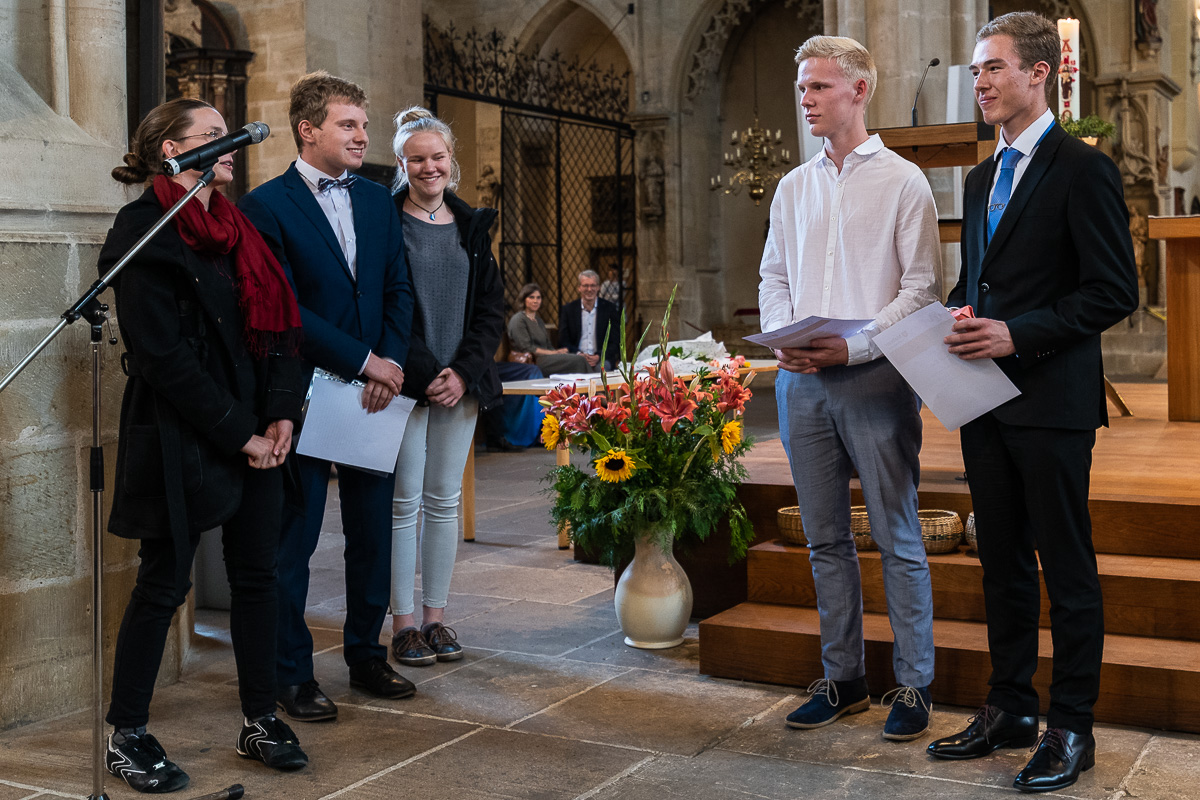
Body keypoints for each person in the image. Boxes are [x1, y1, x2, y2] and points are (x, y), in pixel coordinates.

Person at [928, 13, 1138, 793]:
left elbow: (1113, 291)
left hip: (1051, 401)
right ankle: (1010, 706)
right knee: (1002, 564)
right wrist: (955, 316)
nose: (979, 82)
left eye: (993, 67)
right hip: (984, 401)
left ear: (1039, 73)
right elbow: (979, 281)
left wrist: (1018, 334)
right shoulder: (981, 178)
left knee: (1066, 568)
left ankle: (1072, 726)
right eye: (976, 70)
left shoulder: (1082, 169)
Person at [99, 98, 309, 792]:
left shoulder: (238, 227)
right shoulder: (143, 230)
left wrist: (281, 416)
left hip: (258, 428)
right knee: (163, 582)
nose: (232, 144)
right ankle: (127, 734)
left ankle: (259, 719)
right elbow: (162, 357)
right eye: (214, 135)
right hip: (181, 432)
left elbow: (280, 331)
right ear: (172, 150)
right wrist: (238, 432)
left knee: (257, 577)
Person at [757, 35, 942, 741]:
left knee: (897, 534)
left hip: (876, 378)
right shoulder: (792, 186)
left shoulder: (904, 181)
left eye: (819, 87)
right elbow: (774, 275)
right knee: (824, 539)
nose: (805, 99)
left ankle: (915, 683)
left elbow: (921, 289)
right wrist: (784, 335)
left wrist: (854, 345)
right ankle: (844, 678)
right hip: (802, 382)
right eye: (802, 87)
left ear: (860, 90)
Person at [239, 71, 416, 722]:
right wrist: (363, 361)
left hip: (374, 394)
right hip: (303, 392)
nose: (362, 136)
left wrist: (388, 365)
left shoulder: (376, 200)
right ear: (307, 129)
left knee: (372, 533)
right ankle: (291, 673)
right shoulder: (265, 206)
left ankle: (367, 655)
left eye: (364, 126)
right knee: (297, 538)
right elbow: (285, 308)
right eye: (348, 125)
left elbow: (396, 289)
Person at [386, 107, 506, 667]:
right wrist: (425, 371)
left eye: (437, 157)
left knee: (443, 500)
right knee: (403, 502)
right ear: (402, 163)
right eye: (417, 159)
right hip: (405, 384)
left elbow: (490, 310)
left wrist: (461, 372)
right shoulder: (387, 222)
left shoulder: (472, 226)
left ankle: (435, 618)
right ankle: (403, 623)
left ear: (451, 160)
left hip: (461, 384)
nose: (428, 167)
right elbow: (385, 305)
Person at [508, 282, 590, 374]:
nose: (535, 301)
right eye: (531, 297)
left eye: (538, 298)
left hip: (547, 357)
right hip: (533, 361)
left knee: (578, 357)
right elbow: (527, 348)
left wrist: (558, 352)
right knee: (578, 360)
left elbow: (548, 345)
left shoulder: (539, 321)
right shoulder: (518, 319)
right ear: (524, 299)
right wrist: (554, 353)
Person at [558, 269, 620, 370]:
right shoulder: (568, 310)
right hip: (575, 358)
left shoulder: (609, 309)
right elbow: (563, 340)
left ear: (598, 287)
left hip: (602, 358)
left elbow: (615, 342)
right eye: (585, 286)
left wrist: (599, 356)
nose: (589, 289)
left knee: (601, 370)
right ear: (579, 288)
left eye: (593, 285)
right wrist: (578, 354)